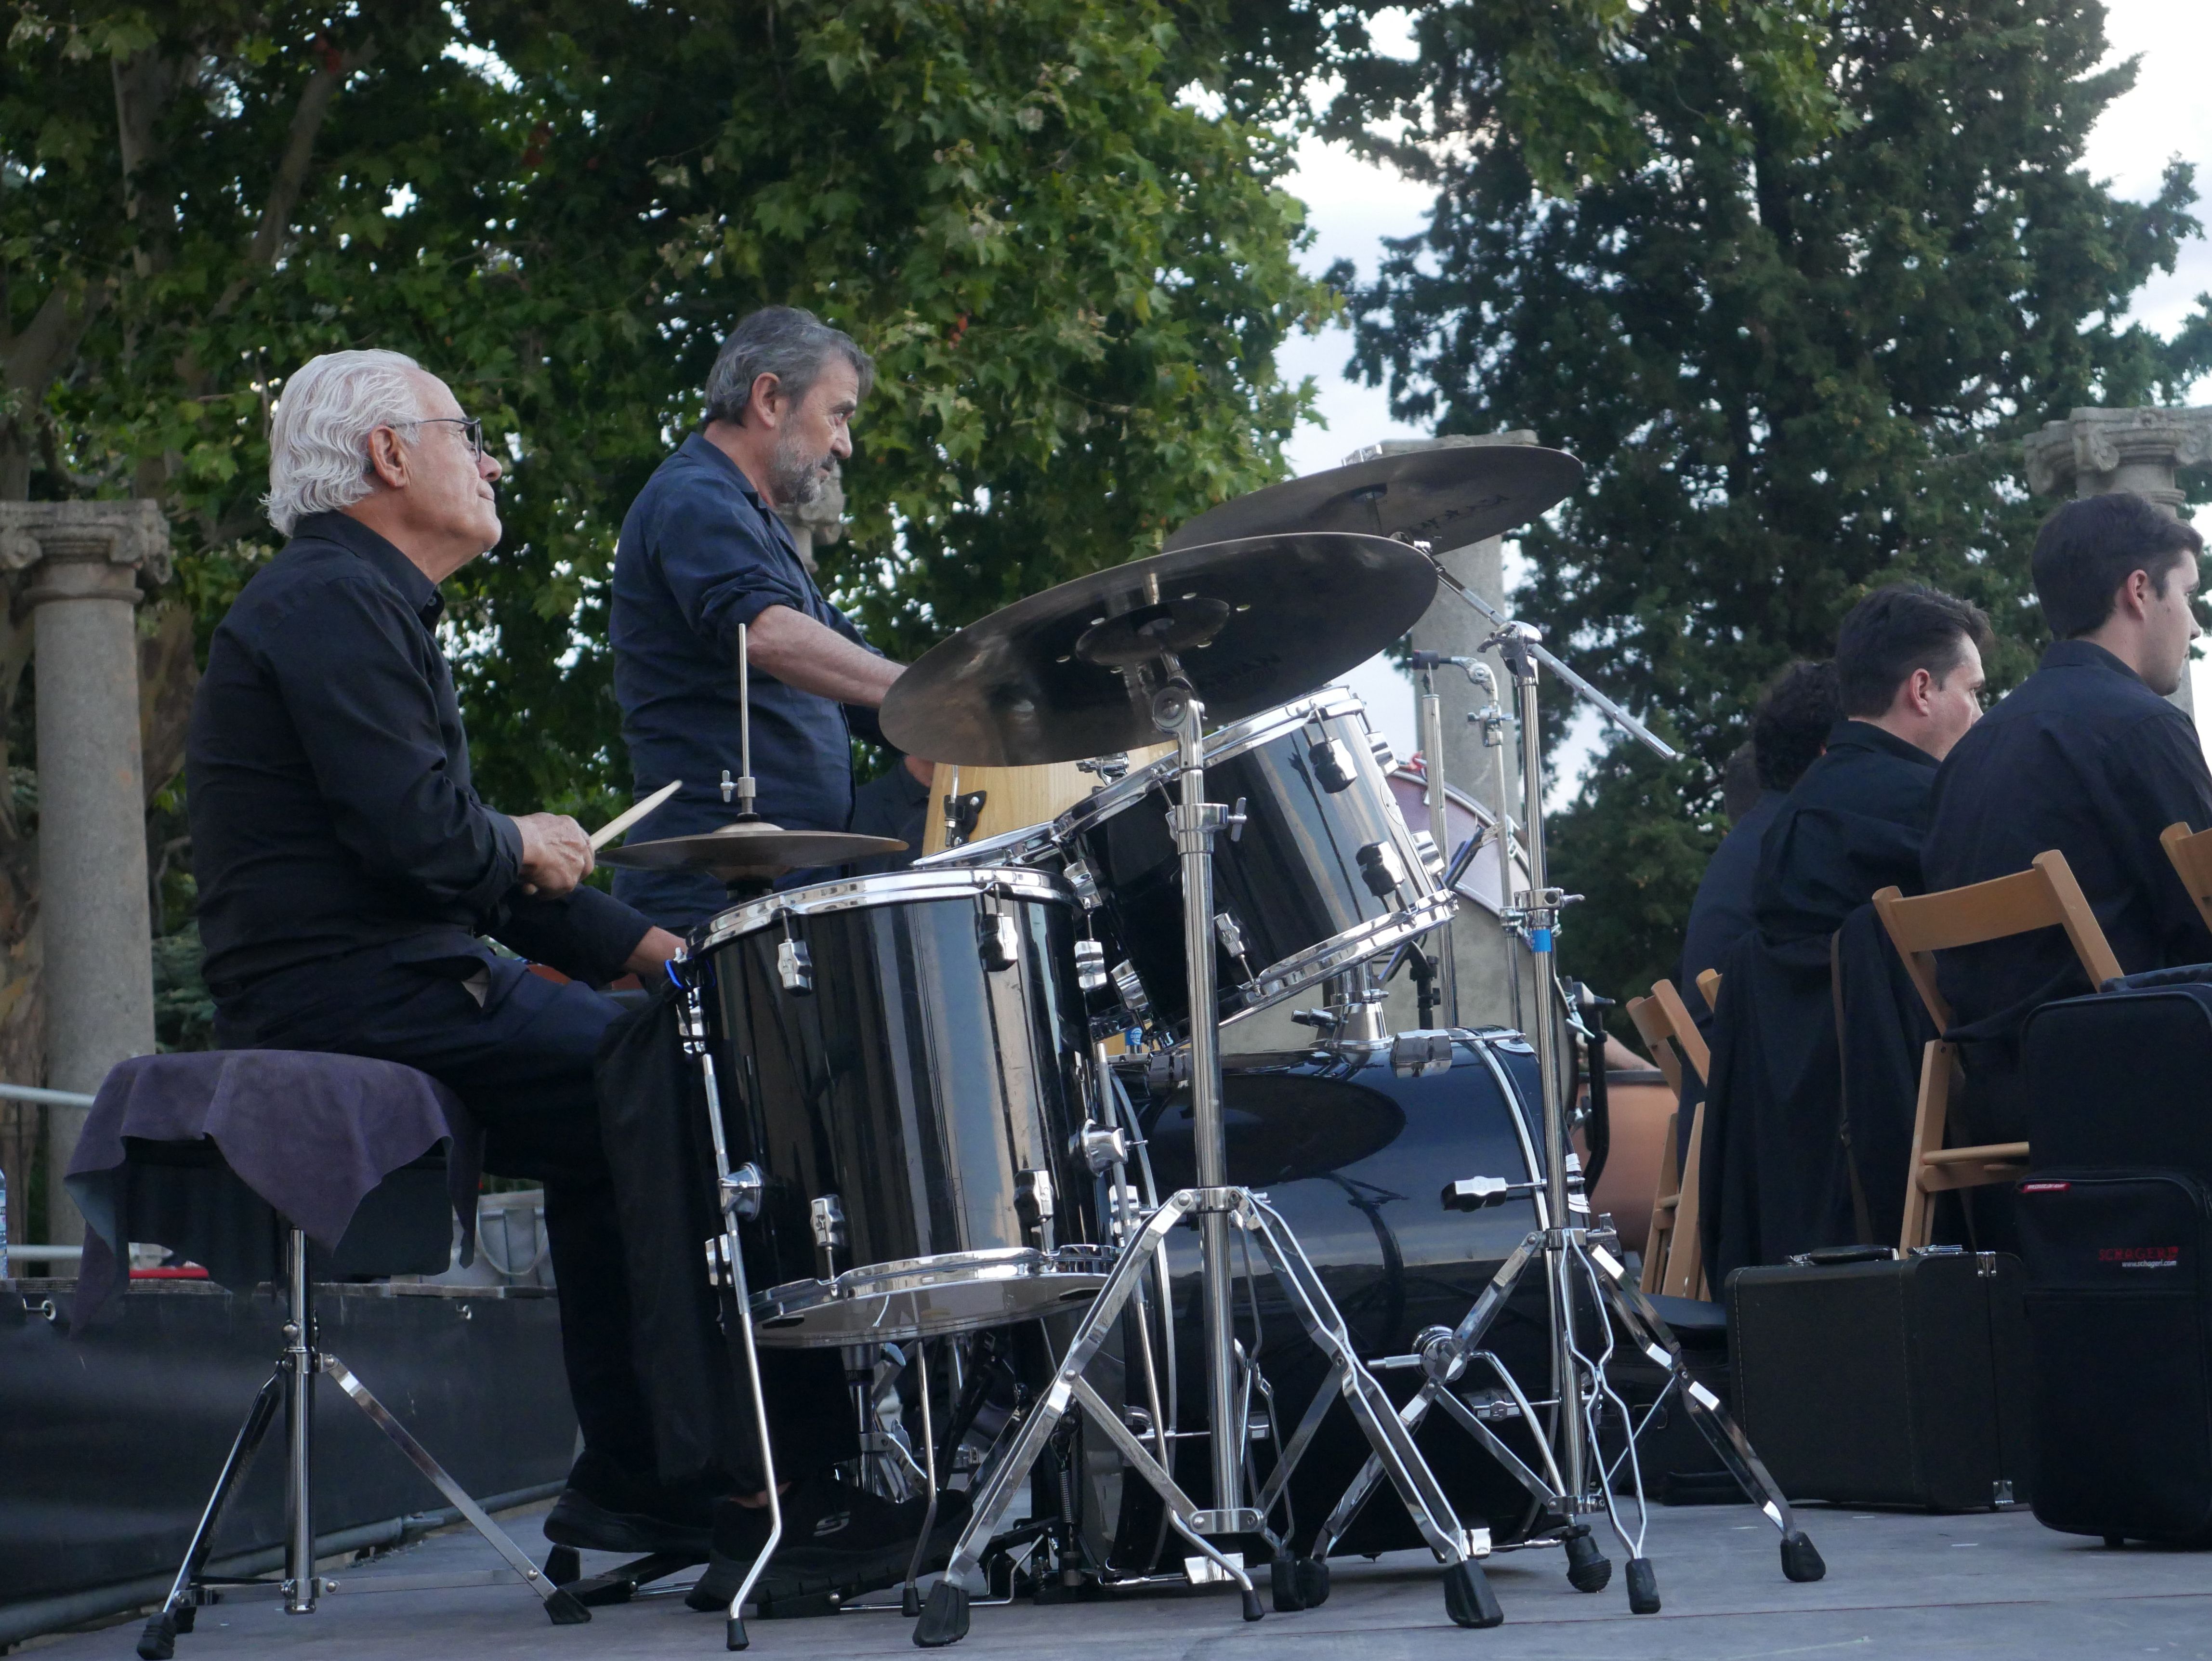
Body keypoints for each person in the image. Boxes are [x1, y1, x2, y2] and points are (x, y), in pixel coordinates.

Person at [186, 349, 695, 1553]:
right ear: (389, 454)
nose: (492, 458)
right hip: (348, 995)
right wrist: (519, 841)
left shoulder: (355, 603)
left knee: (653, 1058)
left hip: (391, 975)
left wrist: (651, 945)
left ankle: (642, 1478)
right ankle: (700, 1474)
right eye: (470, 433)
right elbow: (434, 845)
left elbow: (457, 860)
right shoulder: (325, 602)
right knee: (663, 1079)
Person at [1699, 584, 1992, 1279]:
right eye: (1975, 691)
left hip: (1807, 1176)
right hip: (1928, 1150)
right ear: (1923, 690)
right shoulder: (1941, 813)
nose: (1981, 714)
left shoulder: (1789, 826)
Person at [1922, 493, 2212, 1142]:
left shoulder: (1969, 756)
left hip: (1995, 1105)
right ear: (2139, 591)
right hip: (2132, 1084)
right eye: (2189, 595)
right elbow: (2204, 917)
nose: (2194, 627)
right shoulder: (2141, 727)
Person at [611, 306, 903, 927]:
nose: (844, 444)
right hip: (719, 902)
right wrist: (928, 698)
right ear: (769, 399)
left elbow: (860, 675)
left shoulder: (751, 524)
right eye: (838, 414)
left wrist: (970, 710)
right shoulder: (693, 496)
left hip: (786, 894)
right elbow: (766, 633)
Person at [1677, 661, 1842, 1031]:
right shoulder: (1800, 843)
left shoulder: (1763, 834)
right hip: (1761, 1081)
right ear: (1828, 753)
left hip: (1728, 1078)